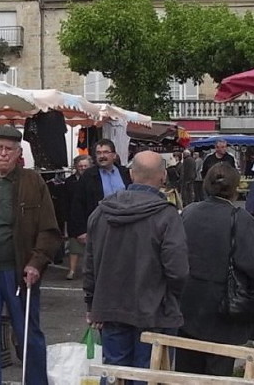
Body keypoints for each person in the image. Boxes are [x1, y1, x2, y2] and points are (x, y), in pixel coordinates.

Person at [0, 125, 61, 385]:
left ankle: (36, 382)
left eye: (8, 149)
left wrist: (37, 262)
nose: (2, 154)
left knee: (27, 332)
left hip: (19, 270)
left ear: (18, 153)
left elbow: (49, 228)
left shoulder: (33, 181)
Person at [83, 151, 189, 377]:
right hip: (155, 310)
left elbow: (90, 265)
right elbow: (177, 270)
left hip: (111, 308)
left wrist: (92, 304)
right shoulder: (167, 216)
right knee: (149, 374)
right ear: (163, 177)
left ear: (131, 174)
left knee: (114, 373)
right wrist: (170, 297)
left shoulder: (101, 212)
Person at [176, 163, 254, 376]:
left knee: (186, 373)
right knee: (218, 373)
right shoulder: (240, 218)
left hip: (188, 306)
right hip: (224, 310)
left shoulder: (188, 212)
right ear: (235, 188)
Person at [69, 139, 132, 246]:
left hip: (125, 226)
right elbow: (78, 204)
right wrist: (81, 231)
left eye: (106, 152)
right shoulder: (88, 176)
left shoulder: (125, 173)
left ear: (114, 155)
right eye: (99, 153)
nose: (102, 156)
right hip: (100, 228)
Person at [65, 154, 93, 280]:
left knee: (93, 248)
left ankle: (89, 271)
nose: (83, 168)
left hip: (91, 216)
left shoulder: (95, 180)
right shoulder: (69, 181)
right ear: (76, 167)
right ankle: (71, 271)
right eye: (80, 166)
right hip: (74, 217)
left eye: (85, 166)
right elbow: (65, 201)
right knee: (74, 246)